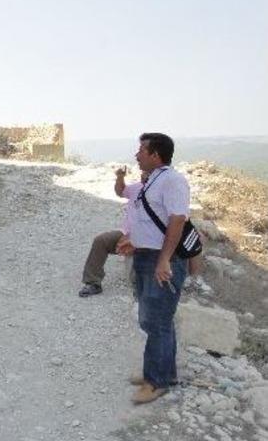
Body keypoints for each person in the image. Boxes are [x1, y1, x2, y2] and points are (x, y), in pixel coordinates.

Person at [129, 133, 191, 405]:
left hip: (162, 259)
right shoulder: (153, 179)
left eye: (142, 150)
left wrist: (164, 259)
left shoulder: (173, 180)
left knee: (157, 321)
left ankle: (156, 382)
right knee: (153, 320)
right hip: (144, 256)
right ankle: (165, 372)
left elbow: (177, 220)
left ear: (156, 155)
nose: (137, 154)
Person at [78, 167, 146, 297]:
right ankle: (93, 282)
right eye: (143, 173)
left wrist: (133, 237)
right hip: (126, 232)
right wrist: (120, 177)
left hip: (147, 237)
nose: (143, 175)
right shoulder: (137, 187)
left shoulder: (160, 192)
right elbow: (120, 192)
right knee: (101, 241)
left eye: (147, 173)